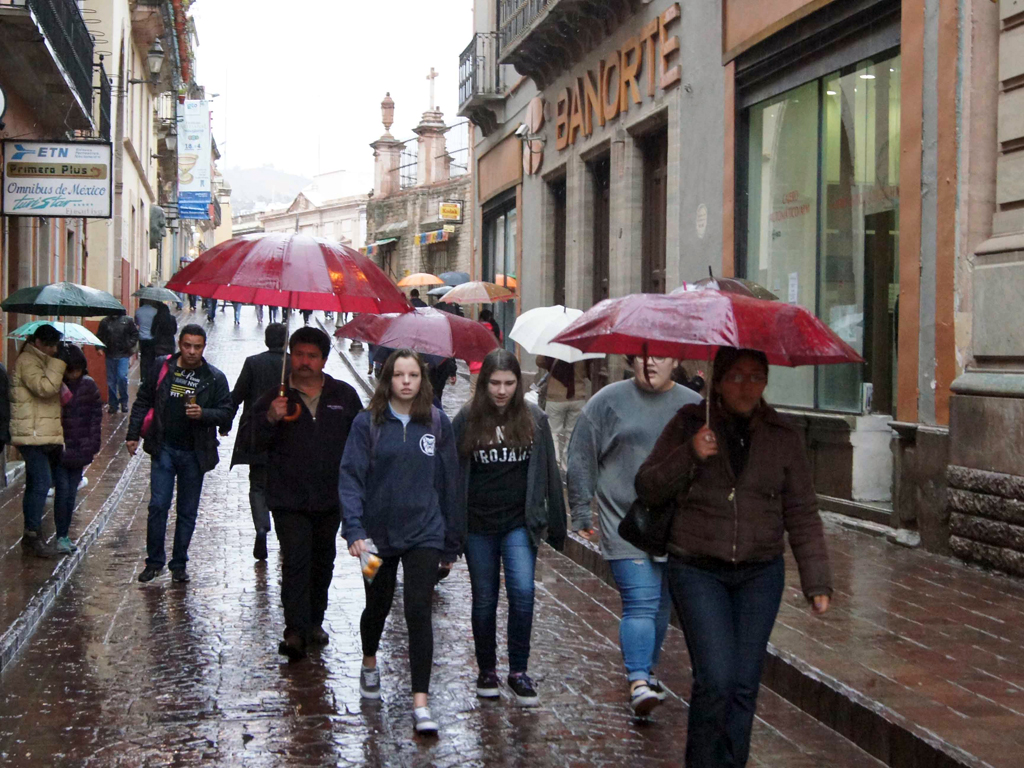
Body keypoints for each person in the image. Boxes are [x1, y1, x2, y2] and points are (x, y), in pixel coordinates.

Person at [634, 348, 832, 767]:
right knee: (716, 679)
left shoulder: (782, 434)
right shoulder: (690, 422)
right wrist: (690, 453)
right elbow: (648, 486)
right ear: (718, 380)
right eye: (737, 377)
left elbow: (802, 510)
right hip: (698, 568)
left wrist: (817, 580)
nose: (747, 386)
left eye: (756, 377)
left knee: (744, 684)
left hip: (760, 573)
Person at [566, 353, 701, 715]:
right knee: (641, 600)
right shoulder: (606, 402)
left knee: (660, 606)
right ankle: (639, 679)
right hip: (624, 522)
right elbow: (581, 456)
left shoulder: (693, 407)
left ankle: (648, 670)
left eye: (659, 355)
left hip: (675, 526)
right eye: (641, 355)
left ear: (676, 361)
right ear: (630, 360)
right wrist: (580, 509)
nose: (650, 363)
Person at [339, 349, 461, 735]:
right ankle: (370, 660)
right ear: (387, 379)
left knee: (418, 611)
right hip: (375, 540)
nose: (406, 381)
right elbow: (351, 477)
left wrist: (450, 541)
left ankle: (420, 703)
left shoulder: (437, 424)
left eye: (413, 375)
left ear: (423, 381)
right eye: (399, 375)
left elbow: (449, 483)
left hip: (424, 532)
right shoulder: (367, 424)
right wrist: (355, 530)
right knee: (376, 604)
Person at [452, 349, 565, 707]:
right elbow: (451, 473)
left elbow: (548, 472)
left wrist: (557, 525)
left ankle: (518, 670)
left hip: (519, 522)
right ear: (483, 384)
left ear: (519, 384)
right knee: (484, 598)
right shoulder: (467, 418)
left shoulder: (534, 418)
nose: (501, 391)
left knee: (522, 592)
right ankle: (487, 669)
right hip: (478, 525)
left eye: (509, 383)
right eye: (495, 383)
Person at [253, 327, 362, 660]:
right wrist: (271, 417)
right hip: (289, 497)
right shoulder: (276, 396)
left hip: (330, 498)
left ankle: (315, 620)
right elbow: (251, 441)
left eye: (311, 356)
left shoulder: (343, 396)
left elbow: (361, 442)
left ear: (324, 360)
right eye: (298, 354)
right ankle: (295, 629)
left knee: (322, 561)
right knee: (296, 559)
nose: (304, 361)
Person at [126, 324, 234, 584]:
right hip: (164, 446)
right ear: (179, 345)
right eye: (187, 345)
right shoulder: (164, 368)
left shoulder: (214, 377)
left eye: (197, 347)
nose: (192, 351)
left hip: (194, 453)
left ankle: (179, 563)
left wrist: (204, 414)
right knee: (158, 505)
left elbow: (227, 413)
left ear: (204, 347)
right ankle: (154, 562)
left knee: (187, 510)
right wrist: (132, 434)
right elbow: (143, 399)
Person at [230, 323, 290, 560]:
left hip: (257, 433)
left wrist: (225, 422)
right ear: (286, 341)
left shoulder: (253, 363)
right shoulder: (291, 365)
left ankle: (261, 528)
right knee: (285, 486)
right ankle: (285, 536)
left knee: (258, 485)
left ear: (267, 340)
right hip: (286, 436)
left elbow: (237, 395)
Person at [10, 325, 67, 558]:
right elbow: (45, 388)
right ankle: (32, 535)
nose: (54, 350)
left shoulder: (39, 360)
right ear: (38, 343)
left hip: (39, 432)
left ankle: (31, 535)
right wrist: (58, 363)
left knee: (37, 483)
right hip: (30, 433)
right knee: (42, 484)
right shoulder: (27, 361)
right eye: (51, 345)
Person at [52, 345, 102, 554]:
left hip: (80, 448)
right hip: (59, 448)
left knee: (71, 492)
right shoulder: (55, 385)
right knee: (62, 491)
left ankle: (63, 534)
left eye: (77, 370)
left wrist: (92, 443)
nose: (74, 374)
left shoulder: (89, 386)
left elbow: (95, 416)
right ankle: (61, 534)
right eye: (70, 370)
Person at [536, 355, 589, 473]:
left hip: (555, 398)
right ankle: (567, 467)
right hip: (578, 397)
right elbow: (586, 373)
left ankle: (554, 466)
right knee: (572, 434)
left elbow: (539, 361)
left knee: (553, 432)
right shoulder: (581, 350)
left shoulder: (554, 349)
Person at [96, 311, 139, 414]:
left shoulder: (127, 321)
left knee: (121, 377)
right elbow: (99, 336)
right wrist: (99, 348)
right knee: (111, 381)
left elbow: (135, 334)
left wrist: (128, 344)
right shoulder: (105, 322)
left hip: (123, 354)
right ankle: (113, 404)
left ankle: (124, 401)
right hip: (110, 354)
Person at [469, 309, 502, 393]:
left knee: (474, 393)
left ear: (480, 318)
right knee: (490, 393)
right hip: (492, 367)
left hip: (475, 367)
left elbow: (468, 348)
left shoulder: (473, 330)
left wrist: (469, 362)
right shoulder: (497, 331)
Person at [135, 299, 158, 383]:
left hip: (142, 338)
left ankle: (143, 377)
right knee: (151, 358)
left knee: (143, 358)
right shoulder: (155, 311)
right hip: (152, 338)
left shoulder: (138, 311)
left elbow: (136, 323)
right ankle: (150, 376)